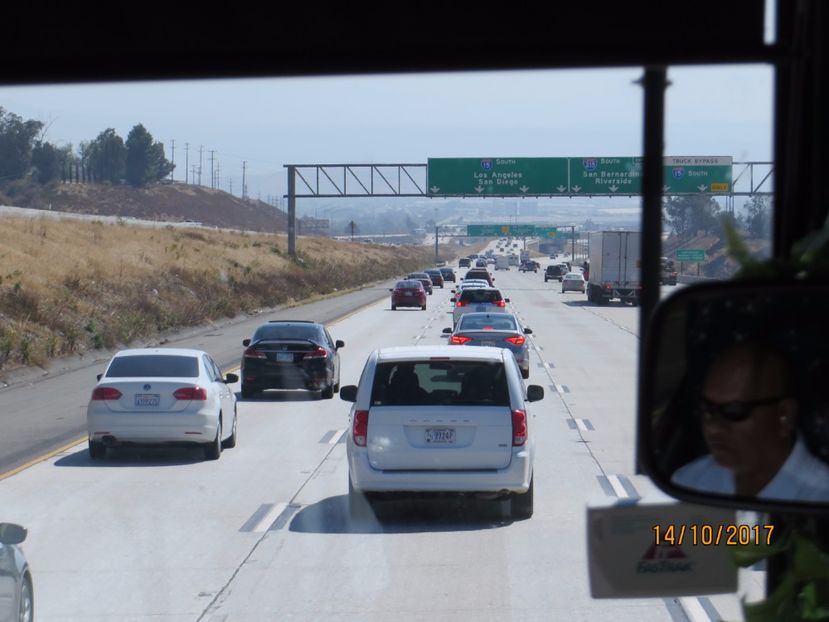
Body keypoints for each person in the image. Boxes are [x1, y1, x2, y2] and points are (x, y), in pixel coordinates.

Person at [671, 340, 829, 501]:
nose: (713, 427)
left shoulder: (821, 497)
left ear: (785, 416)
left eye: (734, 411)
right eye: (707, 409)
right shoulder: (688, 483)